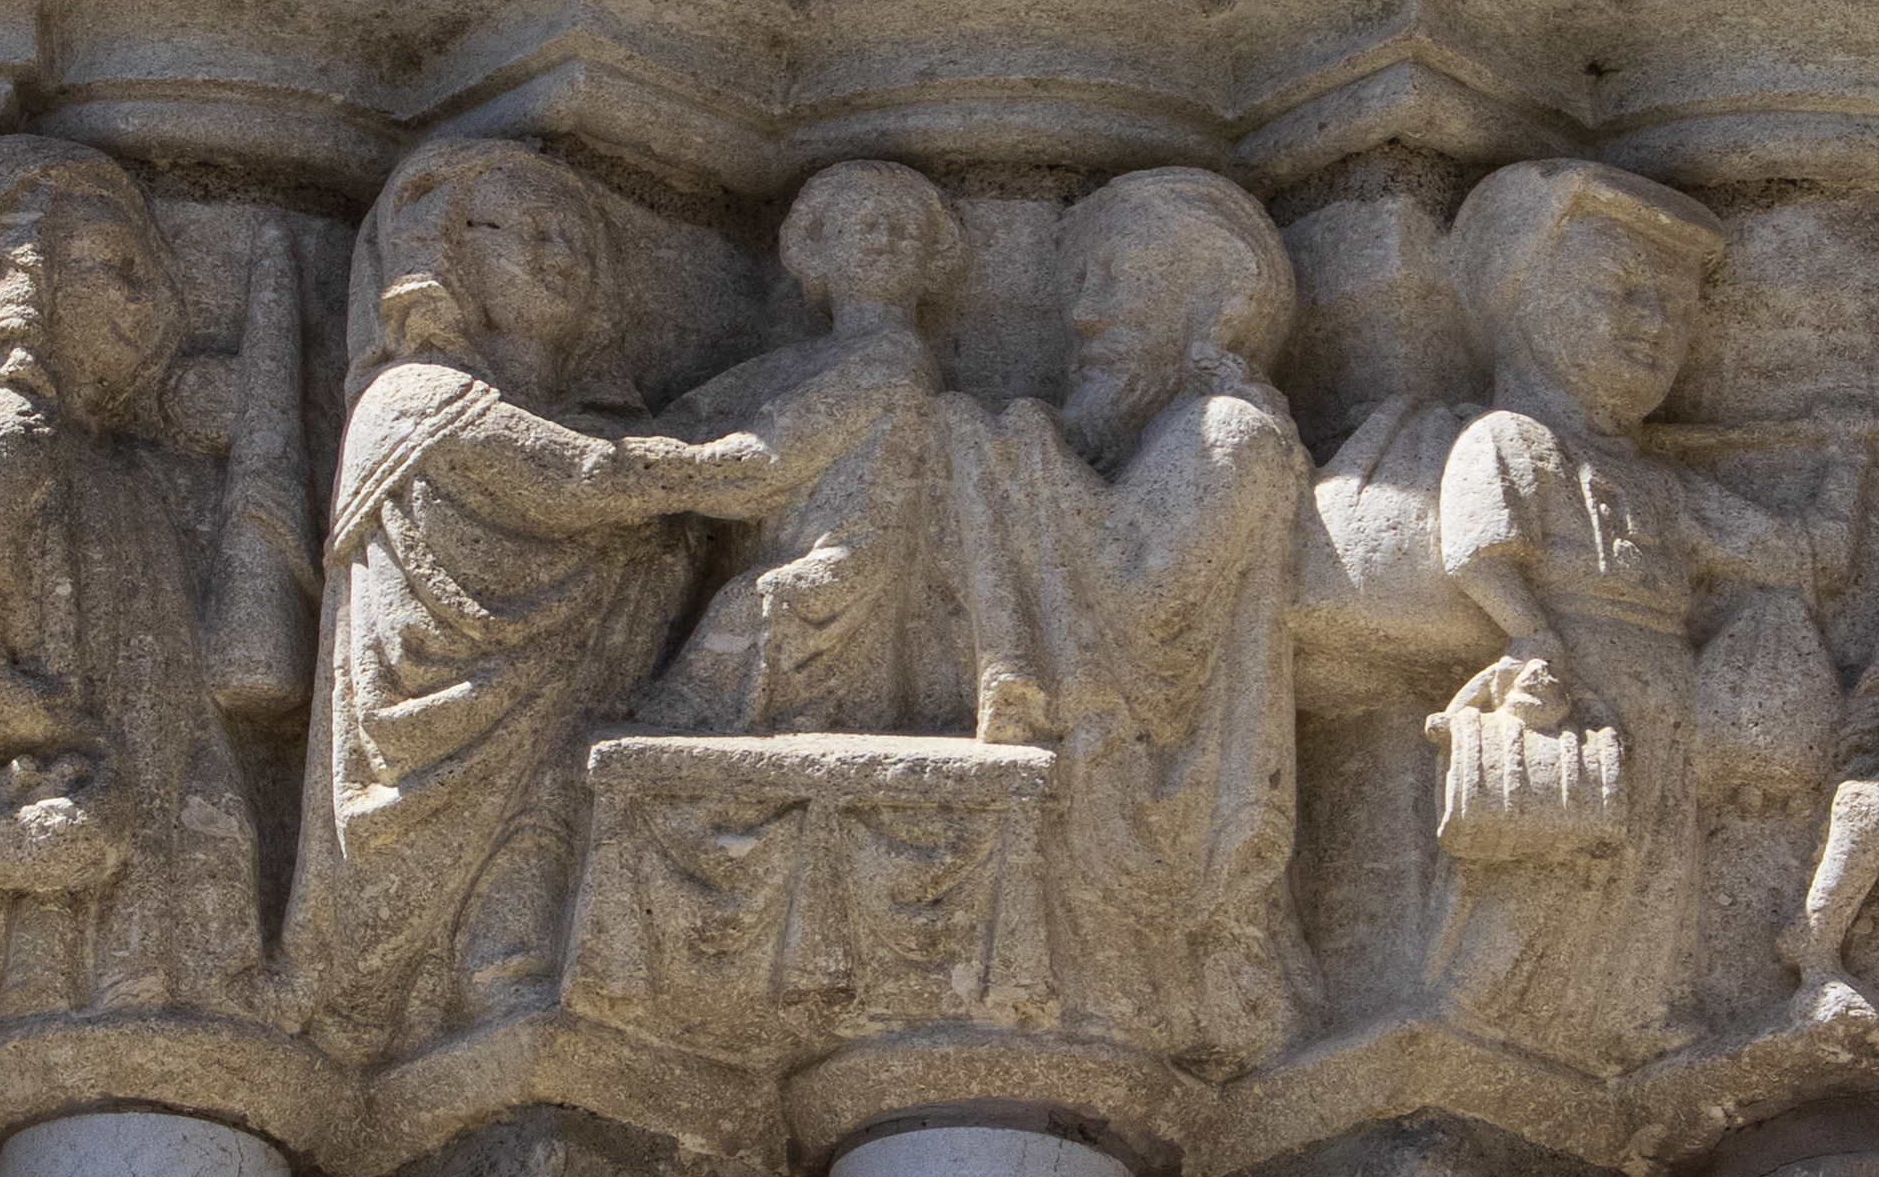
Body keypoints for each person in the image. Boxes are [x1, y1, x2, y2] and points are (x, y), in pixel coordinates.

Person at [288, 137, 848, 1059]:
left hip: (560, 721)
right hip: (433, 742)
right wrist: (711, 466)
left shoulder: (596, 419)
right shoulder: (416, 397)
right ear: (445, 251)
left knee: (536, 857)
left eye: (577, 241)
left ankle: (503, 974)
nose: (560, 258)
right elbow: (578, 478)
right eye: (526, 232)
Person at [1419, 158, 1817, 1072]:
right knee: (1549, 840)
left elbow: (1791, 554)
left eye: (1672, 310)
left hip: (1664, 679)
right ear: (1523, 299)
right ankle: (1478, 1001)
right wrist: (1529, 631)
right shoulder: (1508, 439)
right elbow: (1477, 551)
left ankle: (1637, 1006)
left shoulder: (1657, 481)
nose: (1651, 326)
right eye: (1619, 291)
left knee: (1658, 855)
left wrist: (1844, 470)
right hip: (1578, 665)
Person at [0, 137, 282, 1047]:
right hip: (50, 728)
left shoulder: (106, 460)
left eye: (150, 271)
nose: (147, 301)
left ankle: (150, 970)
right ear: (24, 283)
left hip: (136, 716)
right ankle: (66, 985)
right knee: (62, 874)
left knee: (177, 828)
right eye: (114, 269)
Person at [954, 168, 1308, 1067]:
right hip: (1098, 799)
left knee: (962, 427)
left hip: (1149, 812)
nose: (1085, 315)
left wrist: (1026, 460)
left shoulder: (1231, 432)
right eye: (1079, 284)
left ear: (1213, 301)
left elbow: (1144, 602)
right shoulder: (1167, 437)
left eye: (1121, 276)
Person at [630, 159, 974, 736]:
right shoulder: (790, 364)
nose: (886, 239)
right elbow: (692, 416)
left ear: (931, 258)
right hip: (784, 545)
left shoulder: (895, 356)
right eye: (866, 224)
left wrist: (646, 471)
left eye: (904, 228)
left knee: (750, 606)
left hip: (853, 561)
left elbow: (771, 459)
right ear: (818, 246)